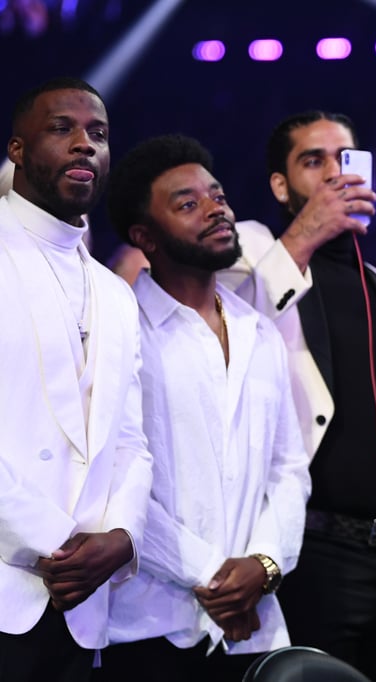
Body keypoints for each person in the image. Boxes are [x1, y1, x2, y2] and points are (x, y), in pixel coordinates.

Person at [219, 110, 376, 681]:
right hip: (303, 550)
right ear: (279, 184)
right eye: (312, 160)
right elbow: (231, 335)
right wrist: (303, 235)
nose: (332, 173)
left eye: (344, 159)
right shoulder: (248, 252)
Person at [96, 135, 312, 680]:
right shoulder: (119, 332)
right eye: (188, 203)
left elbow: (288, 469)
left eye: (216, 195)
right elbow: (113, 481)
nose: (217, 208)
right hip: (143, 628)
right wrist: (215, 576)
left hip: (251, 626)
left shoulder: (258, 330)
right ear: (144, 236)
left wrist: (263, 565)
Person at [0, 77, 153, 681]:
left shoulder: (116, 293)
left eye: (99, 133)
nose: (85, 144)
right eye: (62, 129)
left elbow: (131, 441)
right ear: (16, 149)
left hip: (82, 605)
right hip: (15, 576)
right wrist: (63, 544)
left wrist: (122, 536)